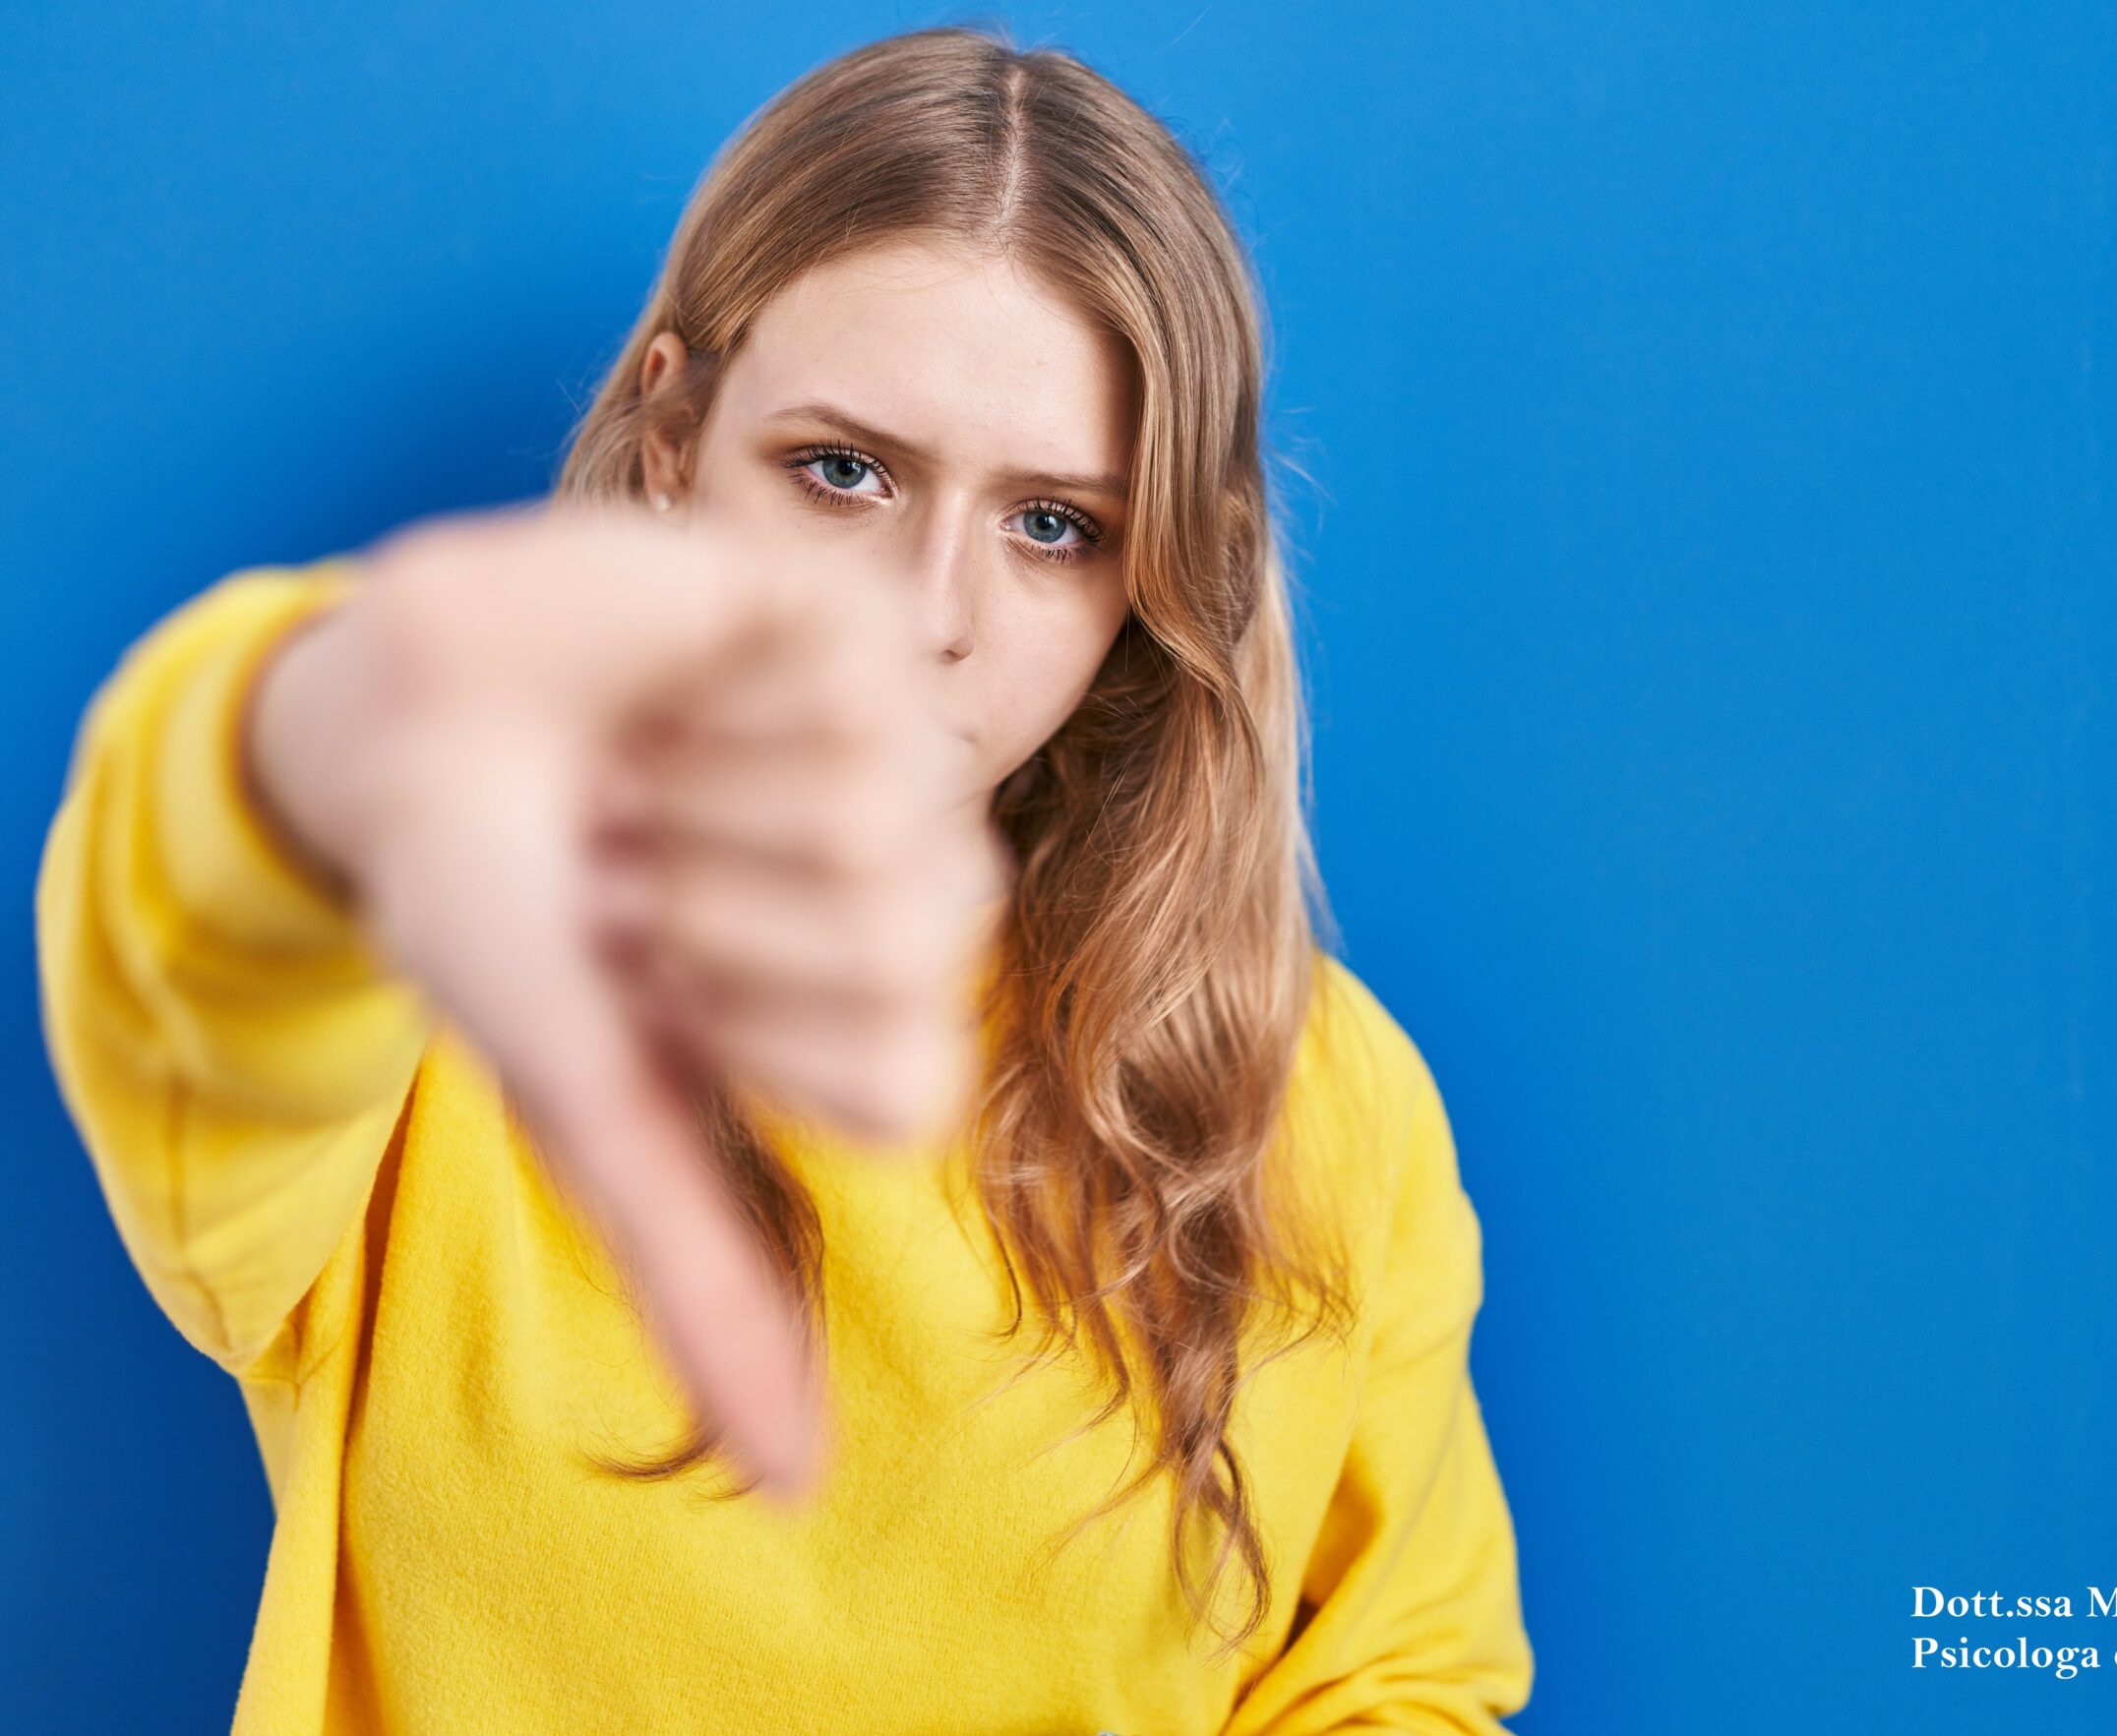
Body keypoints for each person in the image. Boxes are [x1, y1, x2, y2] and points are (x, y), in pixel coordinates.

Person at [34, 24, 1533, 1734]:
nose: (925, 612)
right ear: (674, 437)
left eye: (1054, 523)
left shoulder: (1321, 1099)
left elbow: (1403, 1675)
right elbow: (190, 936)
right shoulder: (428, 972)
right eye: (844, 471)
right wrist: (294, 739)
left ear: (1157, 573)